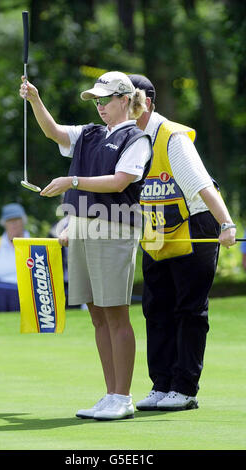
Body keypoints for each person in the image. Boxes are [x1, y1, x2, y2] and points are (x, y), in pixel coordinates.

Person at [19, 71, 153, 421]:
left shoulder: (136, 138)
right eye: (96, 100)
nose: (100, 106)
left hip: (114, 229)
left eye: (105, 100)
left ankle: (123, 396)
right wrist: (35, 99)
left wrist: (72, 180)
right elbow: (53, 132)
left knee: (115, 313)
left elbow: (120, 181)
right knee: (96, 316)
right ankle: (110, 394)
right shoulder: (89, 134)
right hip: (80, 228)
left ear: (124, 99)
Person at [128, 74, 236, 411]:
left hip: (196, 226)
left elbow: (202, 185)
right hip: (157, 231)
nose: (108, 107)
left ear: (143, 101)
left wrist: (226, 223)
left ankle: (184, 388)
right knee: (156, 308)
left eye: (120, 99)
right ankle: (161, 385)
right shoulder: (127, 141)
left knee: (188, 310)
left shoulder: (171, 136)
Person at [0, 203, 30, 312]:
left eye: (17, 220)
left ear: (23, 221)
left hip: (25, 292)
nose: (13, 224)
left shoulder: (34, 244)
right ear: (4, 223)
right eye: (9, 221)